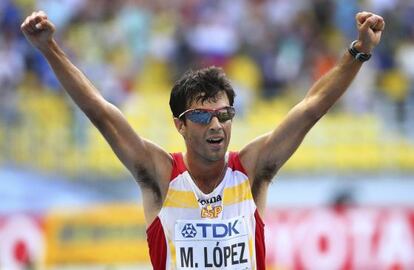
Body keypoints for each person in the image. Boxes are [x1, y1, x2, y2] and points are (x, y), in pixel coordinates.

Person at [21, 10, 385, 270]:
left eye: (224, 115)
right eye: (202, 116)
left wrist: (359, 52)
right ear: (180, 125)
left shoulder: (252, 170)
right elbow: (101, 113)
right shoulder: (161, 174)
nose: (216, 126)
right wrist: (48, 47)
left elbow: (310, 108)